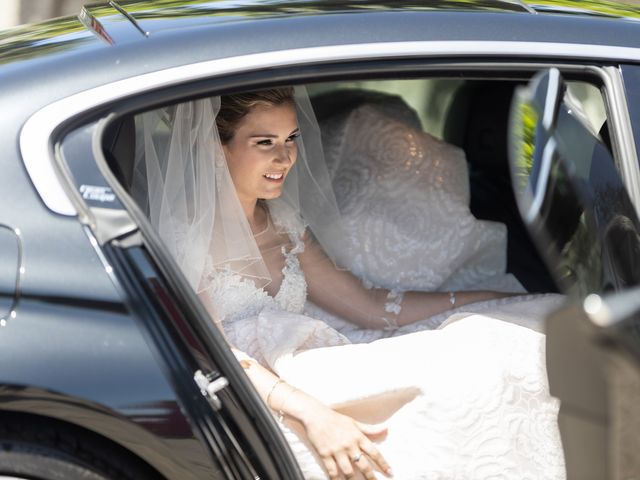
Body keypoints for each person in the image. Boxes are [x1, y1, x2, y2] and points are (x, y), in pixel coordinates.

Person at [133, 87, 565, 479]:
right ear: (215, 148)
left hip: (316, 357)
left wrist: (483, 299)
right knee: (459, 386)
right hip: (265, 390)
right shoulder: (182, 236)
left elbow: (368, 305)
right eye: (265, 142)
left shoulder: (282, 220)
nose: (284, 158)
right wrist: (313, 416)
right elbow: (213, 351)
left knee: (507, 337)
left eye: (291, 139)